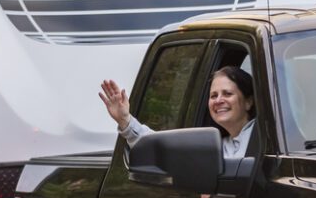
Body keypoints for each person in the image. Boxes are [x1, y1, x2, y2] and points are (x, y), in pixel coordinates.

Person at [97, 66, 260, 159]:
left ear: (248, 101)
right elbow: (164, 147)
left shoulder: (264, 141)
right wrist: (125, 120)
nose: (218, 100)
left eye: (227, 93)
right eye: (213, 95)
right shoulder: (217, 145)